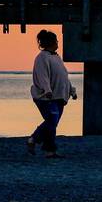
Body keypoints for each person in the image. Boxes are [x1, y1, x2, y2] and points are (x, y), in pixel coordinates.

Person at [28, 30, 76, 158]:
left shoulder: (56, 57)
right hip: (46, 97)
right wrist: (47, 90)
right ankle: (34, 139)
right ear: (50, 42)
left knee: (52, 124)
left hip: (59, 97)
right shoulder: (42, 58)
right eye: (56, 41)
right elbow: (42, 76)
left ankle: (49, 150)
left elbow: (64, 77)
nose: (57, 43)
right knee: (52, 120)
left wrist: (72, 91)